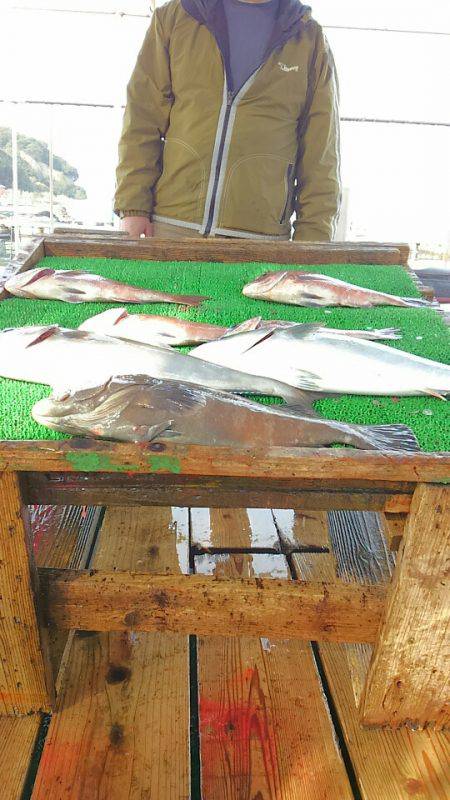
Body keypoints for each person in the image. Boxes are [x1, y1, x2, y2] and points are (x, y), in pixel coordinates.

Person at [114, 0, 341, 241]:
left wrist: (313, 244)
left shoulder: (310, 40)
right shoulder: (176, 17)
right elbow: (141, 119)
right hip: (170, 229)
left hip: (262, 241)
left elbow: (321, 156)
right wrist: (133, 208)